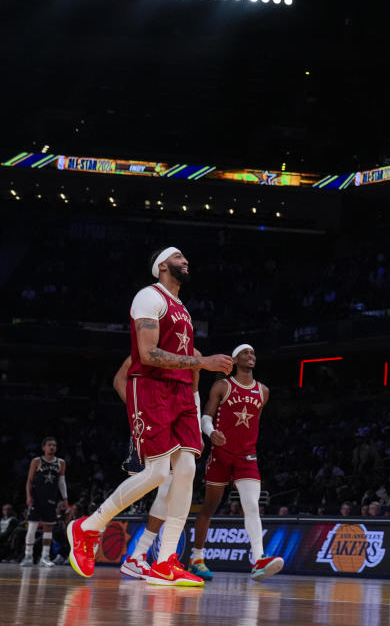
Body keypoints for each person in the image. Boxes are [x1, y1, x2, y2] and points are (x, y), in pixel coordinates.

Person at [66, 246, 233, 586]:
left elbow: (185, 361)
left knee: (186, 469)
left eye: (187, 257)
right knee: (158, 474)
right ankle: (87, 528)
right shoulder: (148, 296)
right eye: (179, 257)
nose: (186, 260)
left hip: (182, 392)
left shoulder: (183, 310)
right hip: (153, 388)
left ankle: (165, 560)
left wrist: (197, 387)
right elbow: (148, 354)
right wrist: (203, 362)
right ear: (161, 266)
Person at [189, 344, 284, 581]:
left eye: (253, 353)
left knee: (252, 504)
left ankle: (259, 560)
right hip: (221, 453)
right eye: (245, 353)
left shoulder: (263, 391)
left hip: (246, 456)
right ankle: (196, 558)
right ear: (234, 359)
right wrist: (211, 433)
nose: (251, 356)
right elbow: (206, 417)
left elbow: (254, 424)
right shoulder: (223, 385)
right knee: (210, 505)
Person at [111, 355, 188, 580]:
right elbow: (118, 380)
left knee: (170, 487)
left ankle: (138, 555)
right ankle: (93, 526)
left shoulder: (187, 352)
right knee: (156, 482)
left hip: (175, 427)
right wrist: (138, 413)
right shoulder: (146, 351)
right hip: (151, 425)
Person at [23, 437, 66, 567]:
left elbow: (61, 482)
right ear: (44, 448)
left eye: (54, 445)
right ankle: (28, 556)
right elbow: (29, 481)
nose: (52, 447)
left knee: (48, 528)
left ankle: (45, 557)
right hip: (36, 498)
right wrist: (28, 496)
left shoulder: (60, 463)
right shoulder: (37, 461)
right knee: (32, 528)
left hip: (51, 499)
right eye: (49, 445)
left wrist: (65, 498)